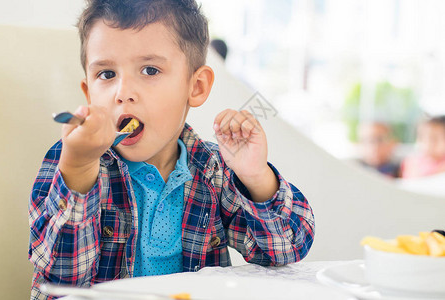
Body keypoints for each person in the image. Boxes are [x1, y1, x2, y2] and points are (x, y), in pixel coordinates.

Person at [28, 0, 315, 299]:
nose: (123, 93)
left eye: (150, 70)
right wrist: (78, 169)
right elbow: (61, 278)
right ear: (88, 92)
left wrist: (256, 177)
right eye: (107, 74)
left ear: (196, 87)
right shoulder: (70, 160)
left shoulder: (214, 169)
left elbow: (286, 249)